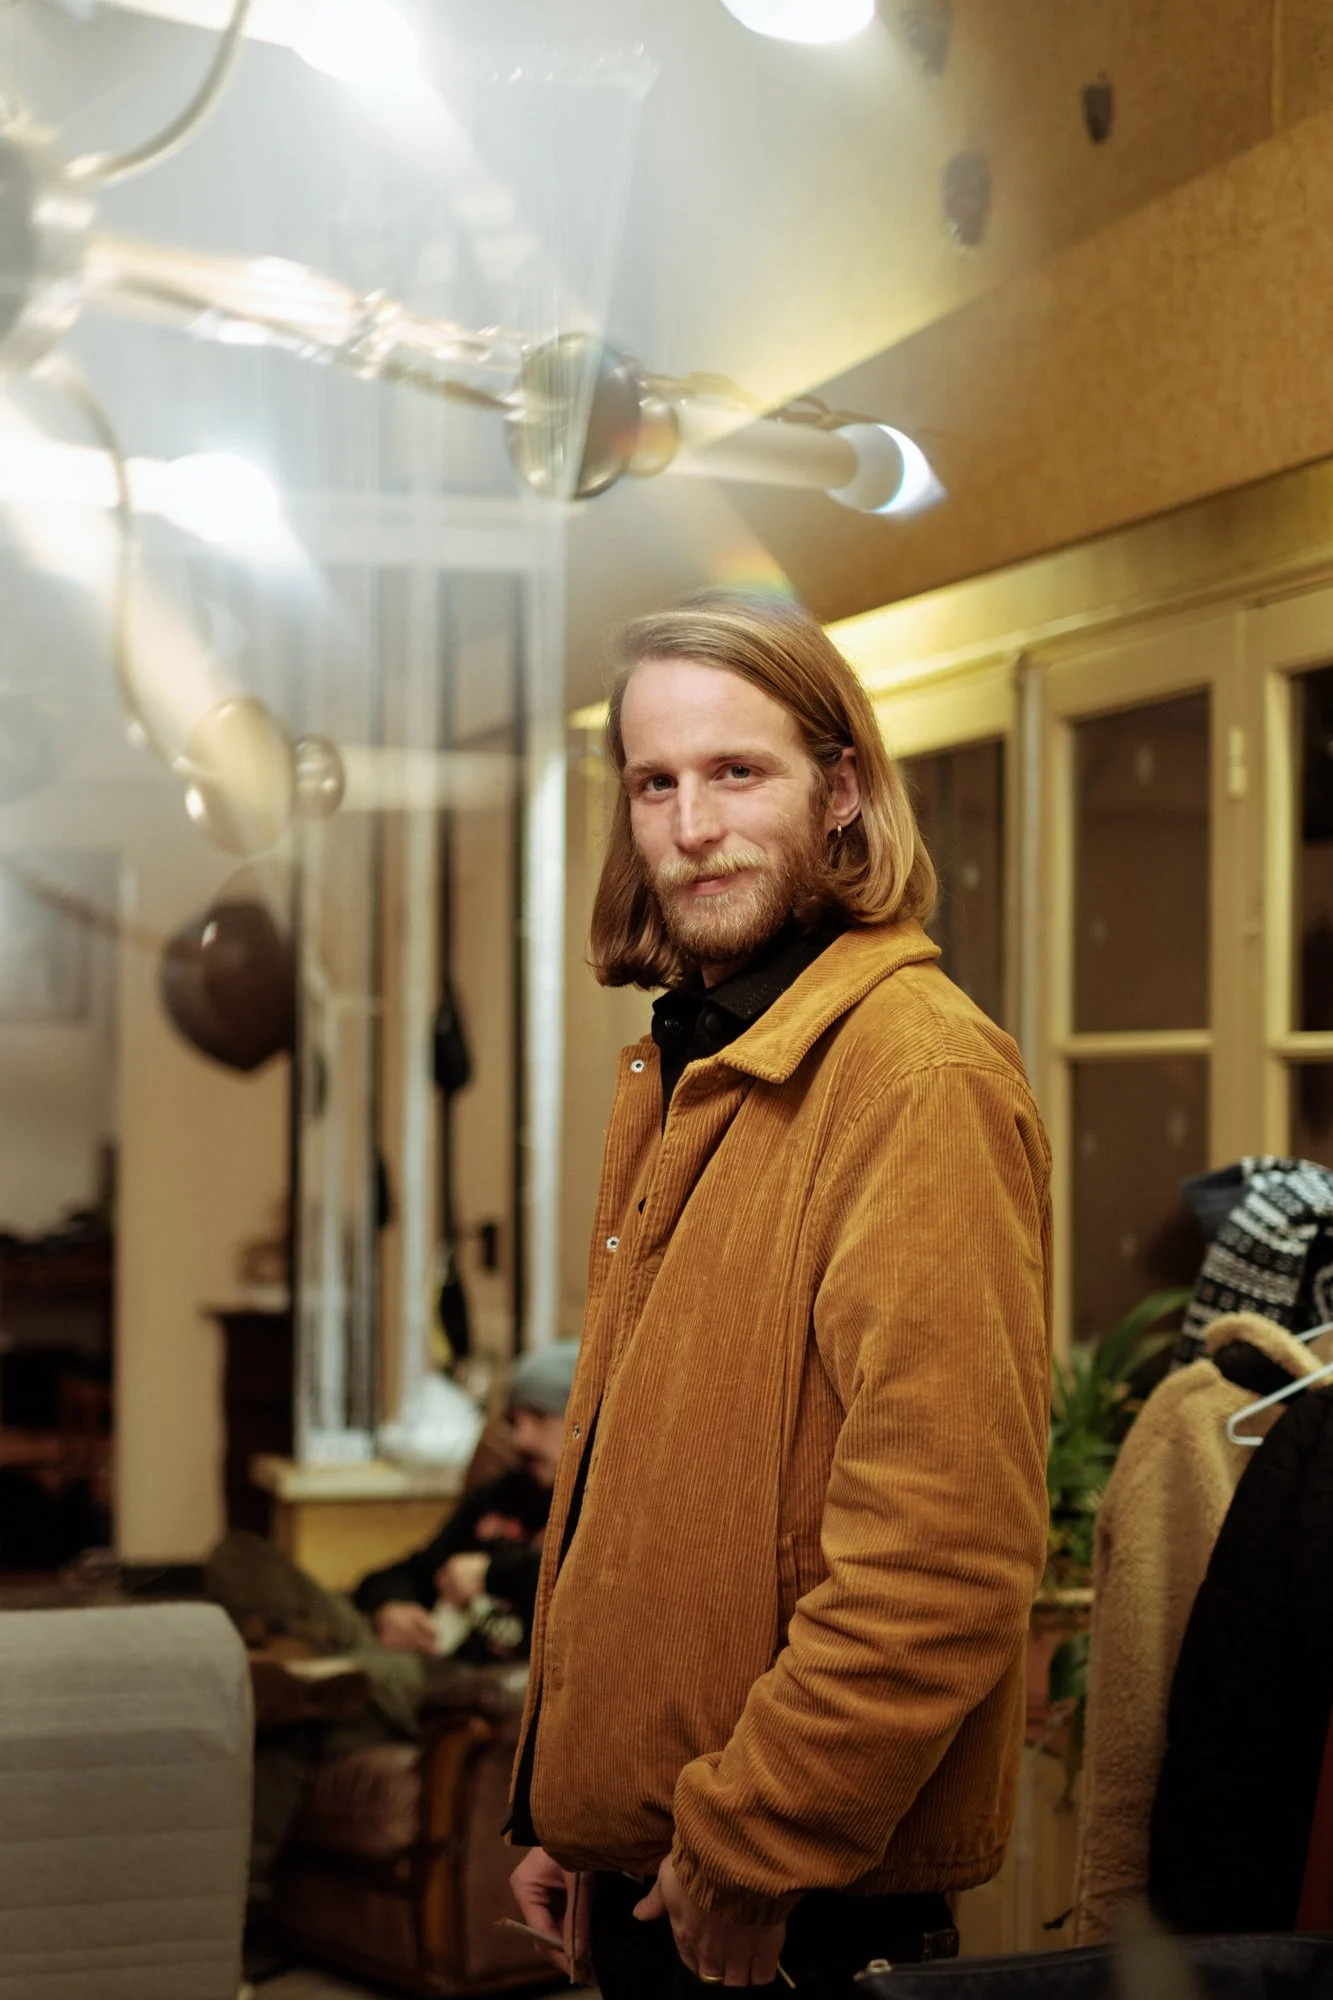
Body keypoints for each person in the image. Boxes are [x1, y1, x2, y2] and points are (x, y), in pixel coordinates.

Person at [509, 592, 1053, 1998]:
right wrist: (576, 1808)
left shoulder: (915, 1075)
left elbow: (945, 1556)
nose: (692, 826)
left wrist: (751, 1848)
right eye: (655, 783)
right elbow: (655, 1504)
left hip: (786, 1902)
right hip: (661, 1866)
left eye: (737, 771)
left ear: (841, 791)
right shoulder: (705, 1057)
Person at [207, 1340, 577, 1907]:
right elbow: (397, 1572)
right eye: (514, 1420)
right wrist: (392, 1608)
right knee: (239, 1557)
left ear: (577, 1419)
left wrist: (493, 1573)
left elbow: (581, 1594)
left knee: (291, 1719)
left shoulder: (596, 1512)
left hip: (456, 1679)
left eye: (538, 1419)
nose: (521, 1438)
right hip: (398, 1656)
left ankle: (302, 1668)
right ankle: (309, 1670)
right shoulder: (501, 1495)